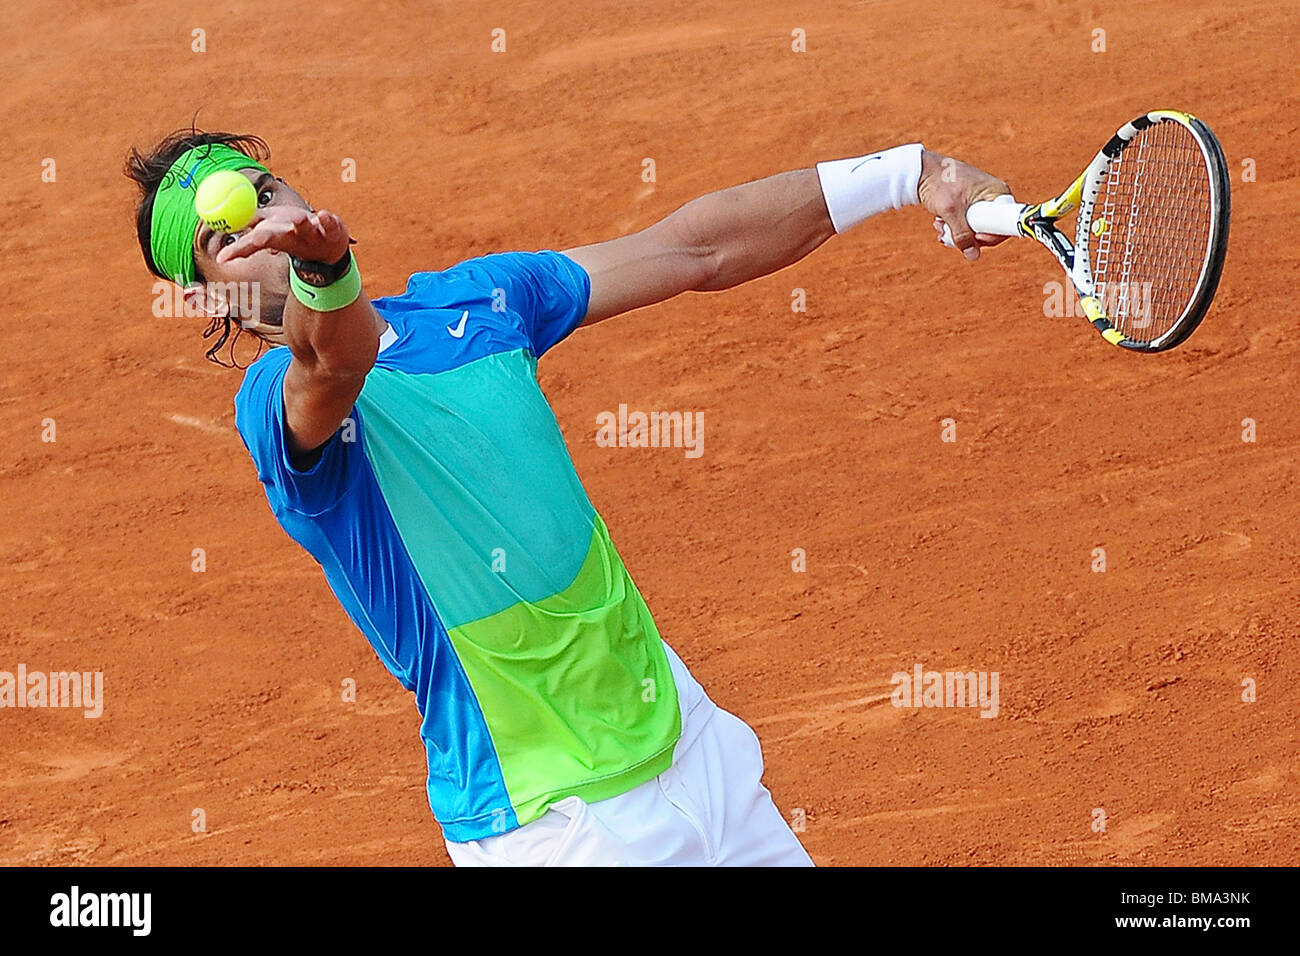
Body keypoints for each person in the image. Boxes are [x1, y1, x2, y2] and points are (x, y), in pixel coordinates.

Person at [124, 126, 1009, 866]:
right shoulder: (275, 405)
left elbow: (694, 247)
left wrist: (910, 174)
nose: (262, 213)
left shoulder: (478, 301)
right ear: (213, 297)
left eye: (266, 185)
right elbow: (334, 358)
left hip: (684, 736)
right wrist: (325, 273)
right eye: (220, 233)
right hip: (549, 822)